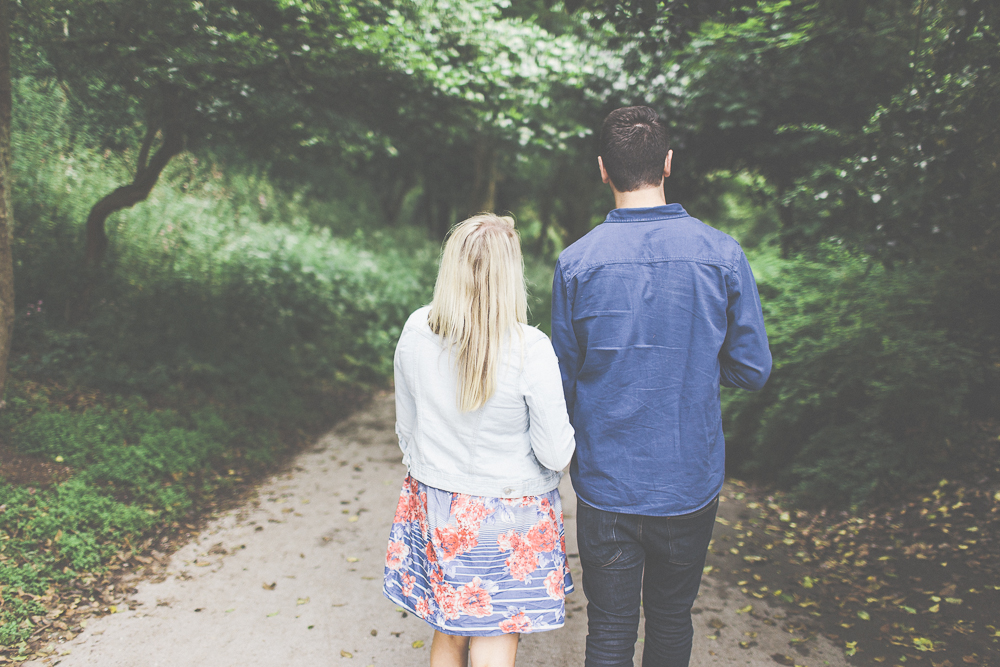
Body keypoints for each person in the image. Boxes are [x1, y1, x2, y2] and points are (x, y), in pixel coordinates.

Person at [551, 106, 772, 667]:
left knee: (608, 630)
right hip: (688, 481)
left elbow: (562, 382)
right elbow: (753, 369)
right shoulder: (721, 254)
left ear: (603, 169)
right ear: (668, 164)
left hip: (606, 485)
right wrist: (694, 362)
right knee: (672, 618)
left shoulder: (575, 264)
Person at [383, 214, 577, 667]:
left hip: (439, 507)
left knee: (448, 630)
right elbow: (555, 452)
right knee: (495, 638)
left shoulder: (417, 329)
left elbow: (407, 432)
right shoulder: (530, 349)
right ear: (511, 276)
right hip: (512, 519)